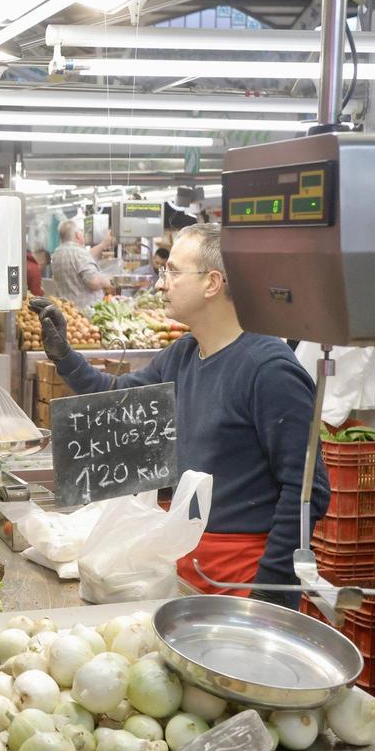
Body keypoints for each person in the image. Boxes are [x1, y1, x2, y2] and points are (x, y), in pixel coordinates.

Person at [31, 223, 329, 607]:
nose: (159, 283)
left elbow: (307, 491)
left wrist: (270, 587)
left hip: (244, 577)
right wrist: (65, 356)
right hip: (188, 561)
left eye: (171, 271)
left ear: (212, 283)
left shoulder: (269, 370)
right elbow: (118, 397)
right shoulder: (185, 353)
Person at [51, 219, 111, 310]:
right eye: (82, 232)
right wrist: (110, 282)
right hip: (85, 311)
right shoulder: (79, 253)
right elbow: (93, 282)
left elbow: (80, 260)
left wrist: (103, 245)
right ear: (78, 235)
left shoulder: (57, 253)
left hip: (67, 310)